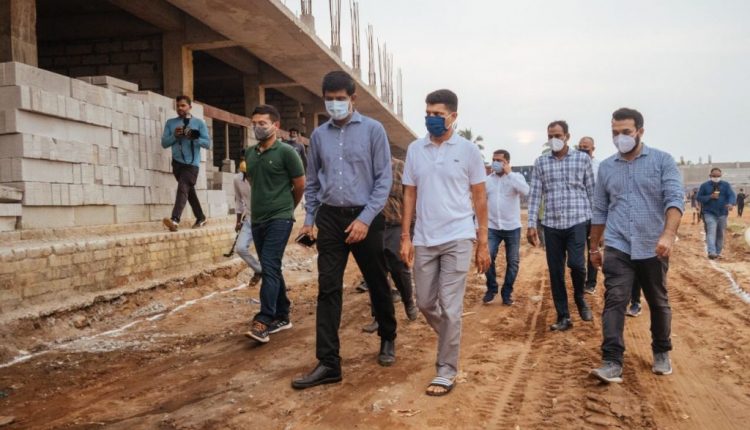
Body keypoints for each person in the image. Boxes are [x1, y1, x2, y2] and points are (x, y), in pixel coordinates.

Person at [292, 71, 396, 390]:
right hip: (330, 218)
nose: (335, 104)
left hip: (366, 217)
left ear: (353, 99)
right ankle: (328, 362)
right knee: (328, 288)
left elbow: (384, 180)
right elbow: (312, 181)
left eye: (341, 98)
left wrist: (365, 219)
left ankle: (388, 336)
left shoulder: (374, 130)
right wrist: (309, 219)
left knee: (376, 280)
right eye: (330, 99)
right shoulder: (318, 136)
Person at [400, 89, 490, 396]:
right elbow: (409, 193)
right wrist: (406, 236)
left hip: (458, 236)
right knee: (425, 302)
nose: (431, 118)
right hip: (425, 238)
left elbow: (480, 196)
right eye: (428, 113)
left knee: (451, 307)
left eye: (438, 114)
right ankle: (451, 336)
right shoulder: (415, 149)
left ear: (453, 116)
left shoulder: (468, 151)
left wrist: (483, 241)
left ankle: (446, 369)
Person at [589, 107, 684, 384]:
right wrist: (594, 247)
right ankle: (611, 361)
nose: (620, 137)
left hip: (653, 244)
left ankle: (661, 351)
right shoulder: (607, 167)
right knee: (615, 299)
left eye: (626, 132)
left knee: (657, 300)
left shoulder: (662, 161)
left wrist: (668, 235)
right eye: (615, 132)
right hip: (618, 244)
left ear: (640, 131)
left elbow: (675, 200)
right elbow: (600, 209)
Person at [243, 104, 306, 343]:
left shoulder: (287, 152)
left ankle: (264, 319)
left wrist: (288, 207)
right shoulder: (250, 153)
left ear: (275, 126)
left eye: (263, 123)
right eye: (254, 123)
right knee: (272, 267)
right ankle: (283, 314)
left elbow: (300, 184)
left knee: (269, 264)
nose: (258, 127)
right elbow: (254, 182)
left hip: (280, 217)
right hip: (258, 218)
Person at [527, 120, 595, 331]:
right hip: (552, 224)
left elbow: (592, 191)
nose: (553, 139)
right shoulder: (541, 162)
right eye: (550, 136)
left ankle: (580, 298)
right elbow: (535, 194)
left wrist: (597, 225)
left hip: (577, 220)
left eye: (557, 135)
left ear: (567, 136)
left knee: (577, 264)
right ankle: (563, 315)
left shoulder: (582, 159)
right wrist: (531, 224)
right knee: (555, 272)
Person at [362, 156, 420, 333]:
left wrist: (410, 229)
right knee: (375, 272)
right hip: (371, 225)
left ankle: (408, 301)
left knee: (399, 267)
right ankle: (379, 317)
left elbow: (411, 197)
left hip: (395, 224)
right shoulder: (365, 166)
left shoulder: (400, 167)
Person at [483, 149, 529, 306]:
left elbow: (525, 191)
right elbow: (481, 203)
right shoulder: (487, 180)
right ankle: (491, 288)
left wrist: (509, 174)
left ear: (507, 162)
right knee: (487, 256)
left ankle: (507, 292)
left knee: (513, 261)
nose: (495, 163)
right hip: (492, 226)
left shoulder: (516, 177)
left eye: (499, 160)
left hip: (512, 227)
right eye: (493, 160)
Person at [160, 95, 211, 232]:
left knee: (183, 188)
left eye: (183, 105)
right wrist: (174, 136)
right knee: (188, 191)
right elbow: (164, 143)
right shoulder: (170, 123)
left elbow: (207, 144)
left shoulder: (199, 123)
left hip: (192, 164)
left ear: (190, 107)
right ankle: (201, 217)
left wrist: (192, 136)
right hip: (177, 164)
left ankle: (175, 220)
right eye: (178, 106)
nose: (180, 108)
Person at [232, 151, 262, 286]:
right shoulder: (237, 179)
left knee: (265, 253)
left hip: (265, 218)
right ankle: (259, 270)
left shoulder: (262, 175)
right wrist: (238, 221)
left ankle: (276, 284)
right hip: (249, 218)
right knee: (240, 248)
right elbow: (238, 200)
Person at [697, 168, 736, 259]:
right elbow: (699, 198)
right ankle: (712, 252)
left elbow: (731, 195)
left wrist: (731, 203)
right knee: (711, 231)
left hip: (722, 213)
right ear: (710, 176)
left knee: (720, 234)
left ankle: (718, 252)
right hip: (709, 213)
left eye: (718, 176)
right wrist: (710, 196)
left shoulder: (726, 185)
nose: (716, 177)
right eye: (714, 176)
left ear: (721, 176)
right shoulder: (704, 186)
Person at [578, 136, 601, 295]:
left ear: (593, 148)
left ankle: (591, 283)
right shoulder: (575, 164)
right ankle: (579, 281)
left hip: (595, 215)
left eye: (585, 147)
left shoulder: (600, 166)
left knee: (593, 249)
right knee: (578, 250)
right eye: (580, 147)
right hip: (579, 214)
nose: (582, 149)